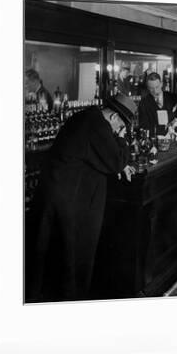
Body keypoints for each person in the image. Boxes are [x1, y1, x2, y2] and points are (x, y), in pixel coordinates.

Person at [25, 94, 138, 302]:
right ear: (114, 118)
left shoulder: (88, 117)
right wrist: (122, 139)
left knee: (54, 253)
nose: (117, 130)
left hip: (59, 194)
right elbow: (114, 160)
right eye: (120, 125)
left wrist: (120, 162)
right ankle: (71, 300)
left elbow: (102, 155)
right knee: (72, 253)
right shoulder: (98, 126)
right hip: (68, 198)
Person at [138, 72, 177, 136]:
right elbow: (144, 126)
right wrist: (165, 129)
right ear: (148, 87)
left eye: (157, 87)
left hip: (174, 138)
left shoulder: (172, 97)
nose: (155, 91)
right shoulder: (144, 103)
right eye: (151, 88)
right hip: (155, 140)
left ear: (161, 84)